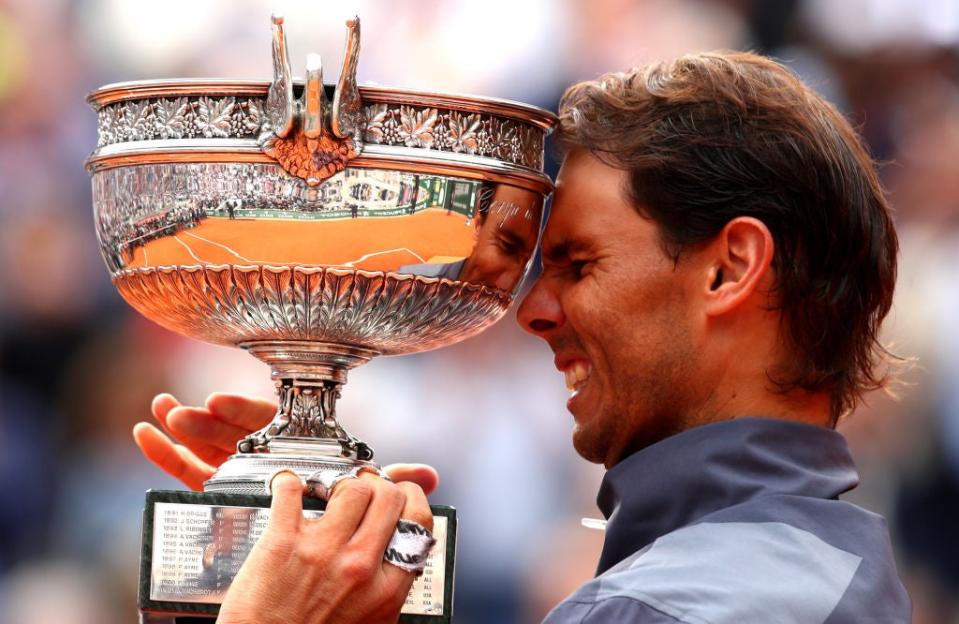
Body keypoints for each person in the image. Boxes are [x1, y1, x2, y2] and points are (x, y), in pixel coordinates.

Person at [134, 51, 911, 623]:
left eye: (578, 263)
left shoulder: (666, 609)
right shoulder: (830, 568)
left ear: (729, 268)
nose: (532, 308)